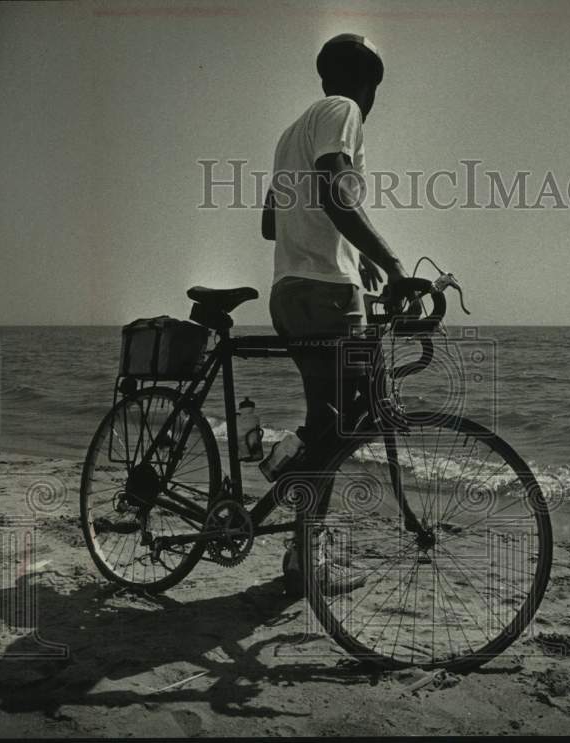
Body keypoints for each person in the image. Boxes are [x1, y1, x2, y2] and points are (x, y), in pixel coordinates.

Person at [261, 33, 407, 595]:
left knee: (328, 420)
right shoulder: (343, 111)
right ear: (368, 84)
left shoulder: (289, 133)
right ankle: (302, 549)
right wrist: (390, 263)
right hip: (326, 292)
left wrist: (353, 255)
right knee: (354, 414)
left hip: (290, 289)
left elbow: (272, 223)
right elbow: (332, 186)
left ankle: (295, 527)